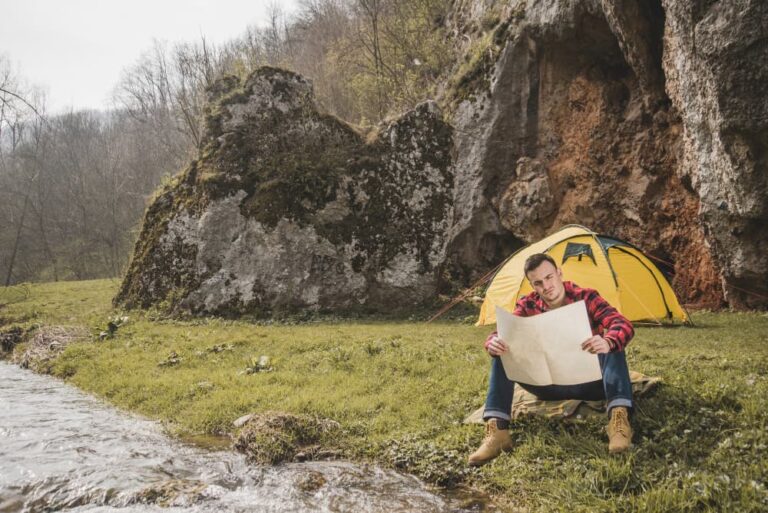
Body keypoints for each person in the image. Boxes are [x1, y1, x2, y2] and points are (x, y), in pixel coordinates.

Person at [468, 253, 635, 466]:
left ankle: (619, 422)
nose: (546, 286)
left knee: (612, 343)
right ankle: (497, 433)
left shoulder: (587, 297)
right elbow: (503, 333)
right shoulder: (527, 304)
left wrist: (607, 341)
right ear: (532, 285)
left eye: (549, 277)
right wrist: (493, 342)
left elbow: (622, 324)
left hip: (591, 383)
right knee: (503, 350)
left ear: (559, 273)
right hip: (546, 385)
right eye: (538, 283)